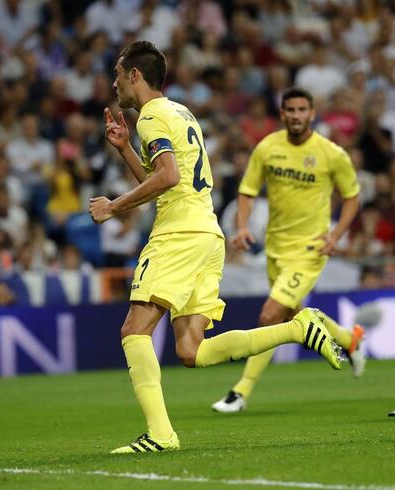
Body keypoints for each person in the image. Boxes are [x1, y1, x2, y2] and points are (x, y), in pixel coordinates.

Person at [89, 42, 341, 455]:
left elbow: (167, 179)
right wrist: (125, 150)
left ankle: (161, 434)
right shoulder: (179, 112)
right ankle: (298, 328)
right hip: (207, 233)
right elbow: (165, 179)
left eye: (118, 73)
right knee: (191, 350)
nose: (114, 82)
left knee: (134, 331)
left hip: (179, 235)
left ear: (135, 74)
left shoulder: (151, 116)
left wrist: (114, 207)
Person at [212, 87, 364, 414]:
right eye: (290, 110)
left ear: (312, 113)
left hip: (309, 249)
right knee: (292, 316)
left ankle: (240, 392)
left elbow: (352, 196)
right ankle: (349, 339)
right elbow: (247, 191)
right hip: (275, 248)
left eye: (301, 110)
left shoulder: (331, 153)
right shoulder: (267, 147)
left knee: (270, 315)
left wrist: (336, 234)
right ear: (282, 114)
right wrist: (241, 225)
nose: (296, 115)